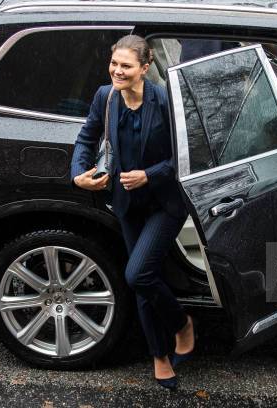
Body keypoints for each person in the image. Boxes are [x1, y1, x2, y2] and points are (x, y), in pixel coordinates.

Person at [70, 35, 195, 390]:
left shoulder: (166, 100)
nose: (117, 71)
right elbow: (86, 137)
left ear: (144, 67)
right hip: (126, 205)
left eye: (126, 66)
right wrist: (79, 174)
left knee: (138, 274)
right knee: (144, 279)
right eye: (114, 64)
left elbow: (186, 156)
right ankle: (159, 355)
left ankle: (182, 324)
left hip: (164, 204)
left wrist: (149, 175)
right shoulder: (104, 97)